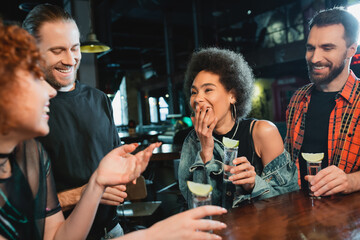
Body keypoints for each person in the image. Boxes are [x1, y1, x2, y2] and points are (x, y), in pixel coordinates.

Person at [0, 21, 227, 240]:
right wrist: (152, 235)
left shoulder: (34, 155)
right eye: (33, 77)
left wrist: (99, 182)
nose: (50, 92)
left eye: (74, 48)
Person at [22, 4, 125, 238]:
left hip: (113, 230)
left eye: (75, 48)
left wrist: (127, 170)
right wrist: (88, 192)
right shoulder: (23, 113)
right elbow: (20, 207)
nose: (70, 59)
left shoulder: (99, 100)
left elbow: (115, 161)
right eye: (57, 51)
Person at [179, 47, 299, 209]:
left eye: (208, 90)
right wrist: (206, 150)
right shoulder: (193, 141)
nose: (198, 98)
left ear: (233, 95)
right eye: (194, 92)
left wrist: (253, 184)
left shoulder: (262, 132)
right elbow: (198, 208)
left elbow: (289, 200)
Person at [285, 7, 360, 197]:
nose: (315, 58)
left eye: (327, 48)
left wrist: (352, 181)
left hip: (351, 221)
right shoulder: (297, 99)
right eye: (311, 48)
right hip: (301, 214)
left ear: (351, 49)